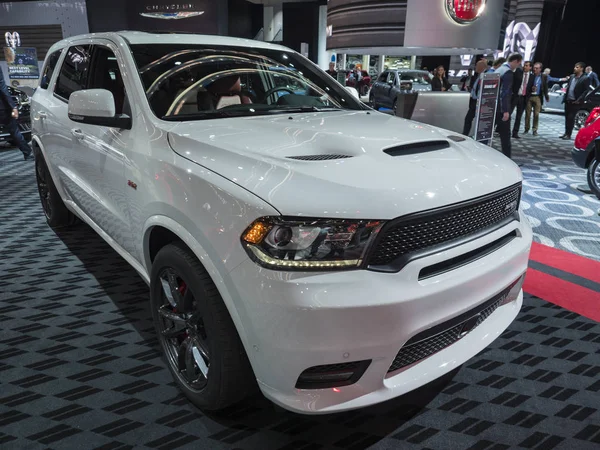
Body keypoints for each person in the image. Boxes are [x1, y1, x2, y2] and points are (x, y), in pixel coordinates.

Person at [495, 53, 524, 159]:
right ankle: (508, 160)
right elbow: (505, 92)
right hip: (501, 109)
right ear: (516, 61)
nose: (517, 67)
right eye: (518, 64)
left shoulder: (498, 70)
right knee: (505, 136)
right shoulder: (507, 72)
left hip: (492, 106)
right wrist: (506, 110)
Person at [0, 71, 33, 160]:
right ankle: (27, 153)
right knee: (14, 131)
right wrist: (13, 106)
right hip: (3, 108)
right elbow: (3, 88)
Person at [561, 62, 592, 140]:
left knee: (571, 118)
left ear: (581, 68)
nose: (575, 68)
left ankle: (568, 134)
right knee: (567, 118)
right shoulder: (572, 77)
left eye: (577, 67)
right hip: (568, 100)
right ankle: (566, 133)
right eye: (575, 67)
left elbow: (586, 91)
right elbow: (568, 88)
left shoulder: (585, 78)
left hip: (576, 102)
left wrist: (579, 100)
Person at [462, 59, 489, 136]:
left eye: (477, 65)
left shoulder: (486, 75)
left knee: (476, 121)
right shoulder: (478, 75)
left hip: (480, 102)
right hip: (474, 102)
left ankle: (476, 136)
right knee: (468, 119)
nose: (475, 67)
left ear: (481, 66)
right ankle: (465, 135)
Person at [524, 62, 550, 136]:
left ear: (540, 69)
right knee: (527, 114)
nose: (534, 69)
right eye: (534, 68)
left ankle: (535, 129)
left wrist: (546, 96)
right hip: (530, 96)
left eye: (536, 68)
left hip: (538, 97)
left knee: (536, 114)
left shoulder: (544, 76)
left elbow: (545, 87)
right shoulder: (530, 76)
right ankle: (526, 128)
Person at [512, 61, 532, 139]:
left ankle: (515, 132)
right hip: (516, 96)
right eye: (524, 65)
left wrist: (532, 89)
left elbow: (530, 88)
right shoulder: (518, 72)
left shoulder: (532, 77)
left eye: (527, 66)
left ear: (530, 67)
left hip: (523, 98)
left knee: (519, 116)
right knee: (508, 113)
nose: (525, 67)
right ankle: (500, 130)